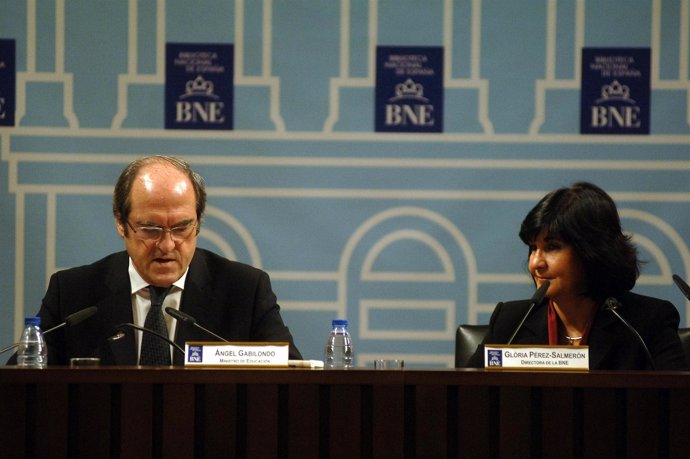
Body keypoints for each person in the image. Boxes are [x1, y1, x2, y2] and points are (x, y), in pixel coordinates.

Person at [9, 155, 301, 365]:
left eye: (181, 228)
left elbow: (294, 380)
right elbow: (21, 385)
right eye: (150, 229)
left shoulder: (244, 291)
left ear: (198, 223)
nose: (167, 244)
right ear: (121, 224)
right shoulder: (74, 294)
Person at [467, 182, 688, 371]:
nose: (536, 263)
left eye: (552, 247)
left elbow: (677, 407)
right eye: (533, 248)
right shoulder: (511, 322)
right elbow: (467, 395)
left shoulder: (645, 323)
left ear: (591, 252)